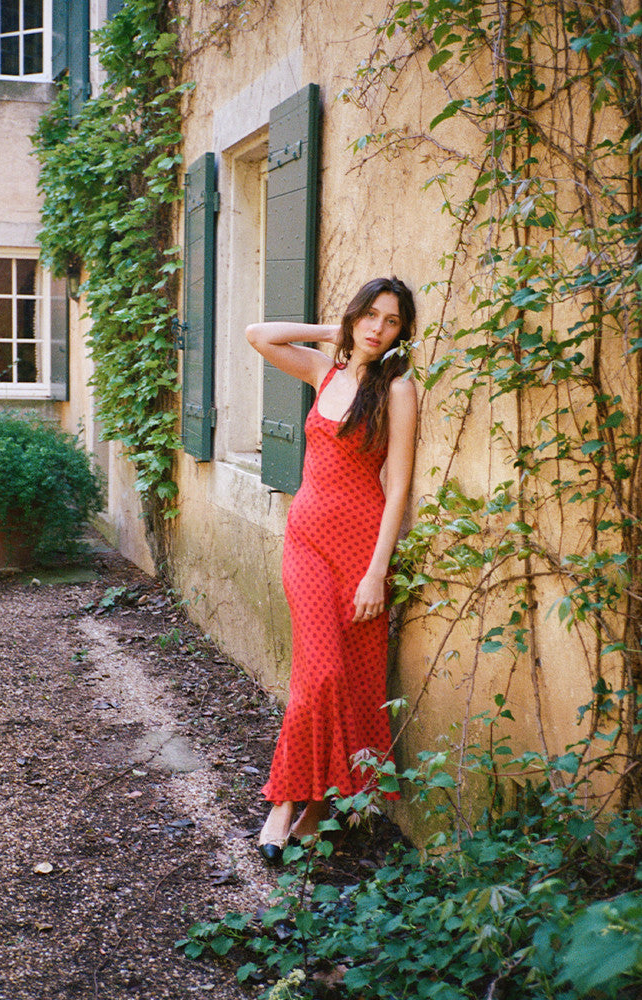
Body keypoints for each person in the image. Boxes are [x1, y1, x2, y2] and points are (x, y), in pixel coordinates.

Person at [245, 276, 417, 862]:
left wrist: (376, 572)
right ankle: (284, 802)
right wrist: (334, 332)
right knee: (317, 673)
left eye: (390, 321)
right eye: (369, 315)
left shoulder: (396, 389)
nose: (377, 328)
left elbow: (396, 488)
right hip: (307, 541)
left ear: (402, 331)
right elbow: (258, 335)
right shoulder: (324, 372)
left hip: (361, 549)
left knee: (353, 677)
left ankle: (321, 806)